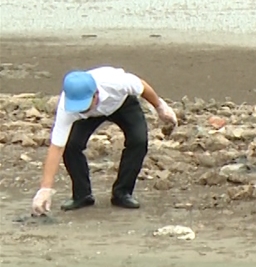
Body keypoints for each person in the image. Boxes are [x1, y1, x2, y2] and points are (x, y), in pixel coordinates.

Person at [31, 67, 178, 215]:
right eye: (78, 107)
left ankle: (122, 193)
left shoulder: (116, 82)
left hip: (121, 104)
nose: (81, 109)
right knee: (71, 146)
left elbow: (143, 87)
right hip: (91, 117)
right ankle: (82, 195)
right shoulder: (68, 107)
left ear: (95, 94)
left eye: (84, 105)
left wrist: (160, 108)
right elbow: (56, 147)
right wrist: (45, 189)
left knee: (138, 141)